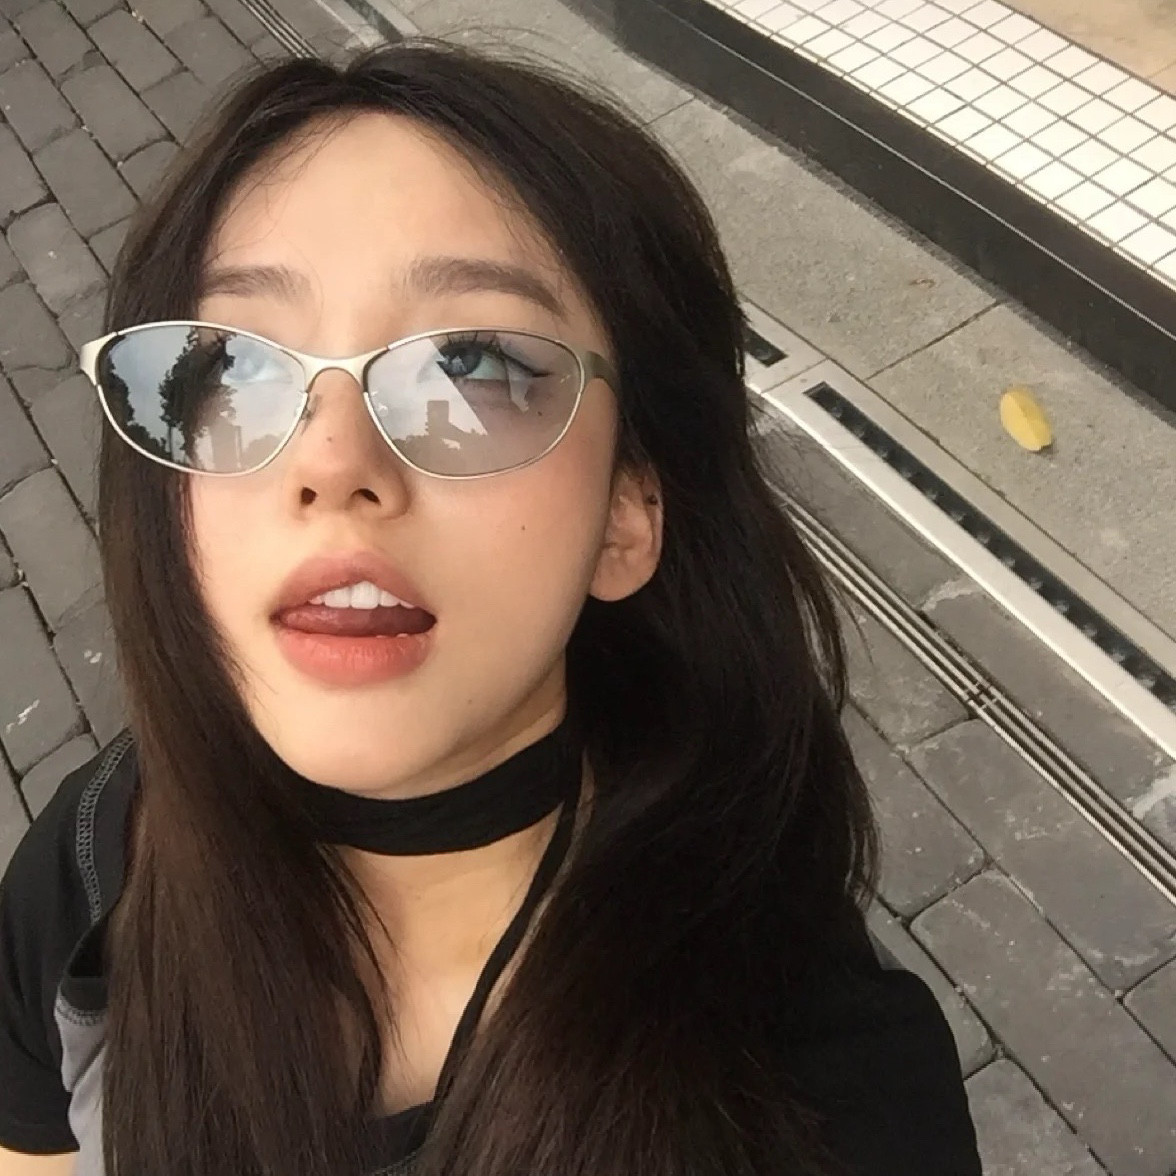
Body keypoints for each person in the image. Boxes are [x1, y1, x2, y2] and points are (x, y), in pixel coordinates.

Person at [0, 39, 981, 1176]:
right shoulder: (100, 855)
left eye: (472, 369)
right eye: (229, 369)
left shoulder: (822, 1092)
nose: (333, 461)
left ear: (627, 515)